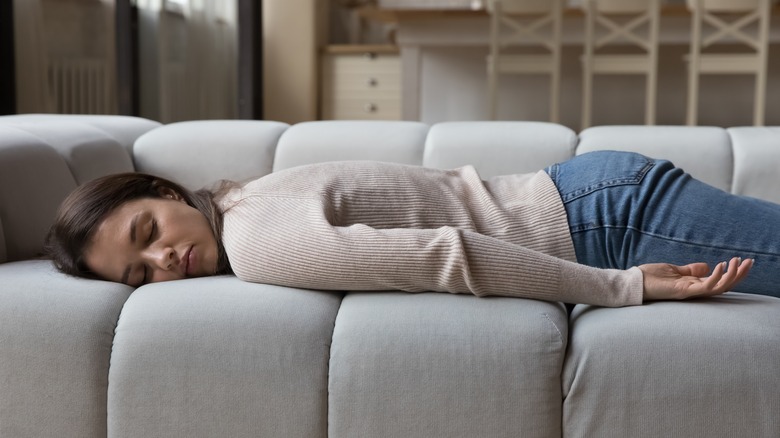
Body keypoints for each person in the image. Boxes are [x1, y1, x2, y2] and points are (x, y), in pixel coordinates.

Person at [44, 150, 775, 307]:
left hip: (604, 222)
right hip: (589, 195)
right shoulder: (247, 201)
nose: (165, 256)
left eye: (147, 230)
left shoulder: (255, 238)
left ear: (164, 191)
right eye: (140, 270)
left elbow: (446, 255)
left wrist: (619, 288)